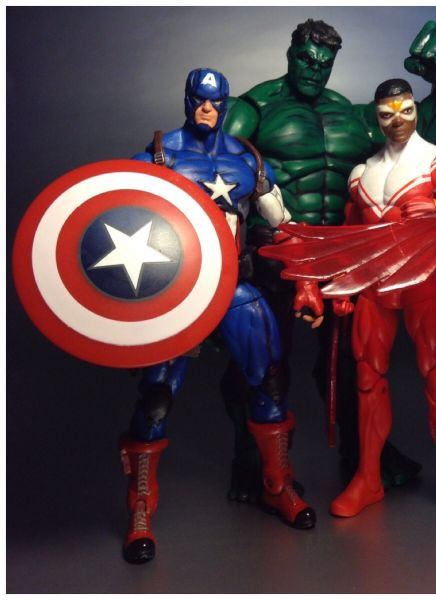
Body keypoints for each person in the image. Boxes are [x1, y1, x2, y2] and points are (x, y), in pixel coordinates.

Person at [222, 19, 436, 498]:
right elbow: (214, 173)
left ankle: (364, 457)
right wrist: (218, 267)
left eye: (324, 63)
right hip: (276, 251)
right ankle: (252, 459)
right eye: (306, 59)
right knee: (263, 361)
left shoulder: (351, 115)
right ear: (290, 53)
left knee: (349, 363)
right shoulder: (253, 108)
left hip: (342, 258)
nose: (313, 70)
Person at [263, 78, 436, 537]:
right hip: (376, 289)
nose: (398, 121)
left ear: (415, 109)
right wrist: (341, 287)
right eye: (387, 114)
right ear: (376, 118)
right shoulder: (361, 174)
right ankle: (369, 478)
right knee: (366, 380)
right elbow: (353, 236)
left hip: (420, 284)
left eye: (405, 110)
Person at [118, 68, 315, 565]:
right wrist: (124, 306)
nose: (206, 109)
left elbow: (285, 225)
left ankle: (278, 485)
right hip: (177, 294)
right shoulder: (158, 157)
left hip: (232, 288)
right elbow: (116, 220)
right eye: (199, 100)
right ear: (187, 100)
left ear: (225, 104)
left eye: (215, 101)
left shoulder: (247, 159)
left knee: (270, 383)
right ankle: (140, 508)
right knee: (157, 398)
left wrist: (308, 281)